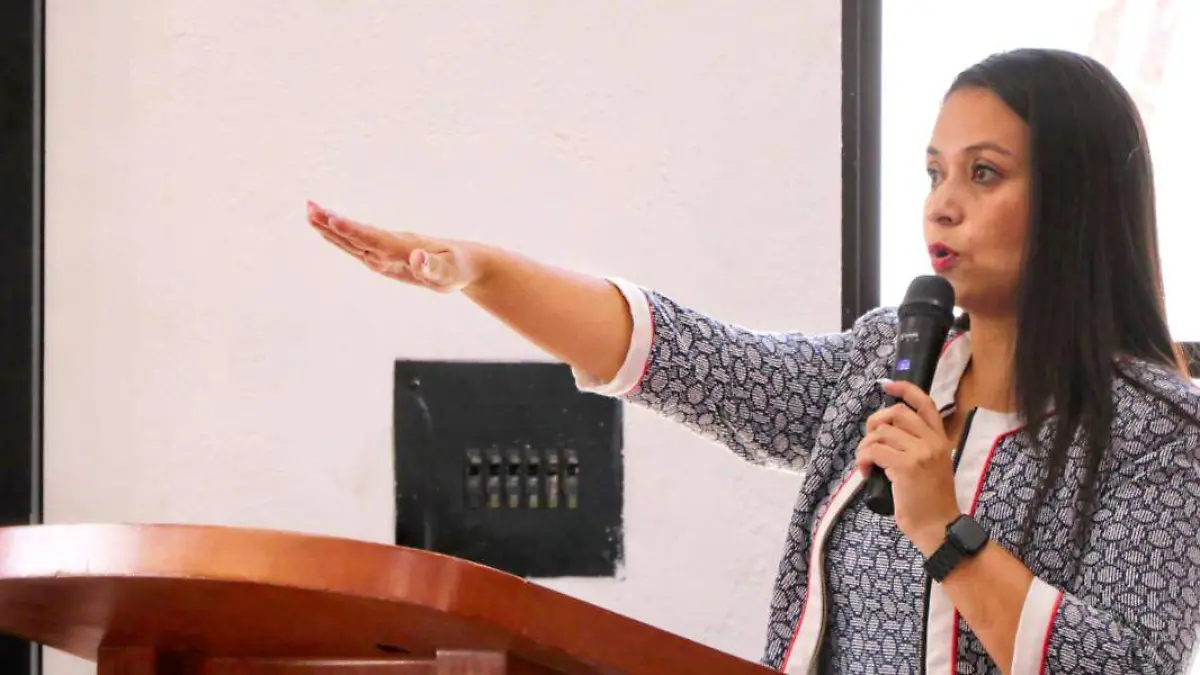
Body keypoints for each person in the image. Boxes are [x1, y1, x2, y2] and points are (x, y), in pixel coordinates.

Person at [306, 48, 1200, 674]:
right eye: (933, 174)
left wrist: (945, 530)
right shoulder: (888, 367)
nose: (942, 207)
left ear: (1078, 201)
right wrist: (481, 273)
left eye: (985, 174)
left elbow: (1125, 664)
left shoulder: (1161, 433)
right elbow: (695, 360)